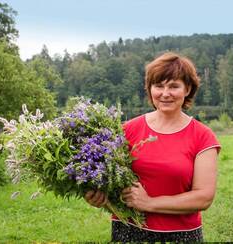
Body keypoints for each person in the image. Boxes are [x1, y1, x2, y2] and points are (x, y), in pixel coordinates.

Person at [85, 52, 221, 242]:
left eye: (174, 86)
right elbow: (114, 183)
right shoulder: (126, 130)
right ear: (150, 89)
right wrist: (101, 198)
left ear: (187, 89)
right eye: (158, 86)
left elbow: (204, 197)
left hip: (180, 236)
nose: (165, 93)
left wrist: (150, 203)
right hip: (128, 231)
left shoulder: (202, 136)